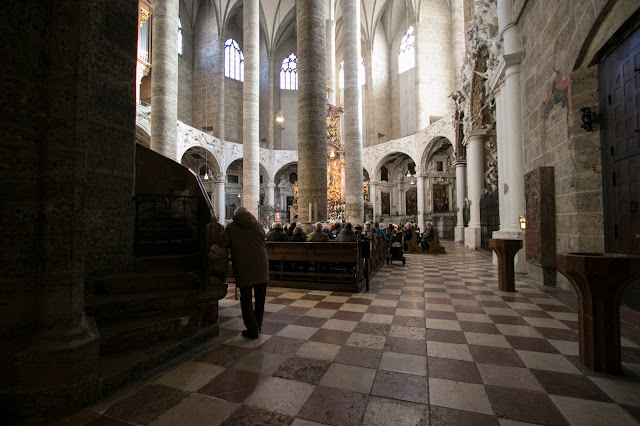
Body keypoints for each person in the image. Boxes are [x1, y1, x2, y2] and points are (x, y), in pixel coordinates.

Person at [217, 207, 269, 339]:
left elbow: (222, 242)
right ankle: (258, 325)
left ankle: (252, 329)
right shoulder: (258, 225)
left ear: (236, 215)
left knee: (246, 299)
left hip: (244, 266)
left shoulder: (232, 227)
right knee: (260, 299)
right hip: (261, 265)